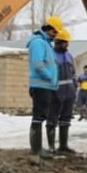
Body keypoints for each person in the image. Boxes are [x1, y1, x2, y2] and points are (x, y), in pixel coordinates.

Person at [26, 18, 60, 159]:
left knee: (41, 116)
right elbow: (38, 64)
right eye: (53, 31)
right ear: (47, 28)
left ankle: (37, 148)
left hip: (46, 86)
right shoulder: (38, 43)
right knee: (38, 116)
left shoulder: (45, 43)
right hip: (41, 85)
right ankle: (36, 149)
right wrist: (50, 77)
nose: (55, 35)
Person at [48, 28, 77, 153]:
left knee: (66, 119)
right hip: (55, 93)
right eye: (65, 42)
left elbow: (73, 73)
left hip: (69, 93)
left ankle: (63, 146)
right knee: (52, 119)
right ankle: (51, 147)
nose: (67, 45)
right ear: (58, 42)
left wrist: (74, 88)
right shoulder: (51, 55)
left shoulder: (69, 56)